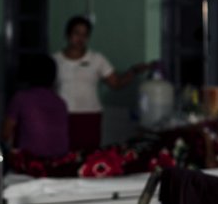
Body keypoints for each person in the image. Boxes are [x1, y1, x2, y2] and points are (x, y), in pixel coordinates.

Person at [53, 15, 155, 152]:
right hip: (62, 116)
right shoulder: (55, 60)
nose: (80, 39)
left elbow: (116, 83)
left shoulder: (97, 59)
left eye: (85, 35)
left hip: (90, 116)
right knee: (63, 155)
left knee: (88, 156)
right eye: (77, 33)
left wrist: (133, 71)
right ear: (68, 34)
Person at [2, 53, 70, 174]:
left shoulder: (21, 98)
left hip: (32, 162)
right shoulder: (61, 103)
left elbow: (5, 134)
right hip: (60, 162)